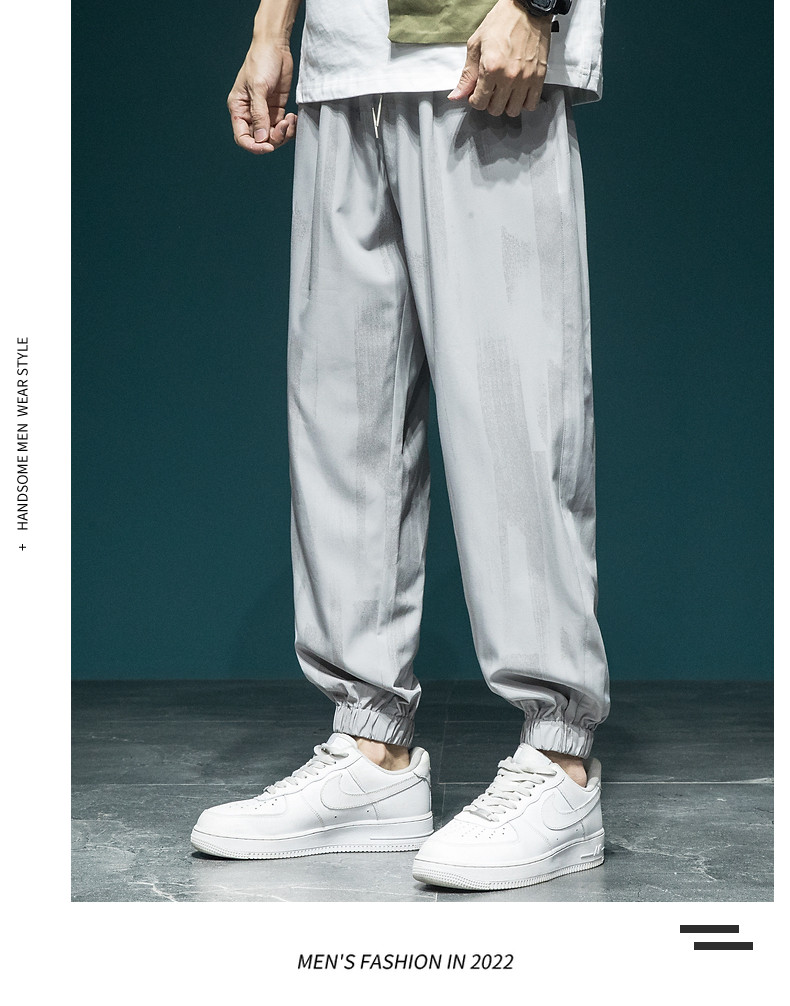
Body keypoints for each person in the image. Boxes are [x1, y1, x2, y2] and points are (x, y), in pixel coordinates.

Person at [191, 0, 611, 891]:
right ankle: (370, 753)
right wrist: (273, 30)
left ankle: (559, 759)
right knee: (344, 416)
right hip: (343, 63)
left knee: (514, 410)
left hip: (475, 45)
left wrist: (535, 7)